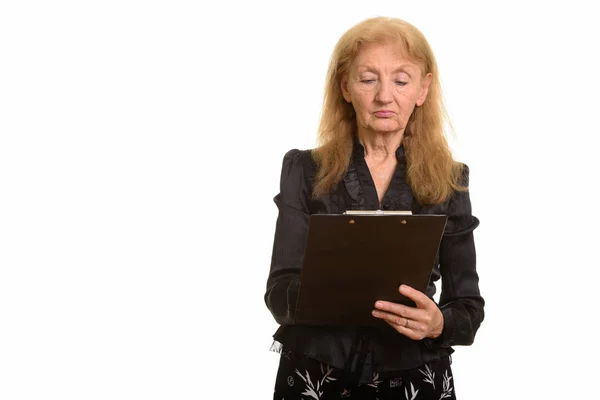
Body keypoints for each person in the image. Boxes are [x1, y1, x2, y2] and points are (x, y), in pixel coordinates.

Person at [264, 16, 484, 400]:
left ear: (422, 88)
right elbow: (278, 293)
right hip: (317, 374)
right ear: (345, 86)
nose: (385, 96)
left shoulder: (451, 178)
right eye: (368, 79)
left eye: (401, 80)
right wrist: (330, 290)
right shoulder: (303, 169)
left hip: (415, 375)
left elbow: (468, 308)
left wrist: (437, 323)